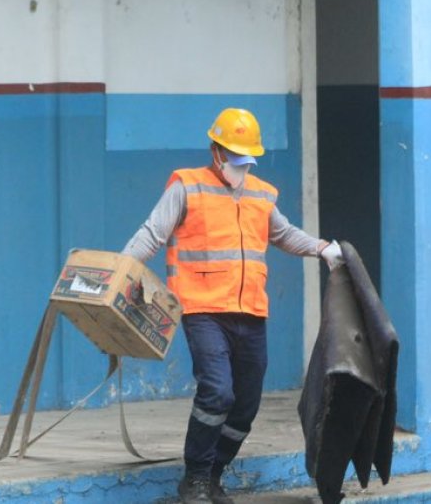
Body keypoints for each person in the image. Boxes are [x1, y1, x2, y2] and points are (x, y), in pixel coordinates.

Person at [120, 108, 343, 504]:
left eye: (247, 158)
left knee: (245, 405)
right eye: (234, 157)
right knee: (218, 392)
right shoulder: (187, 187)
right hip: (202, 310)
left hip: (251, 312)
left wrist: (322, 248)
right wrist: (120, 272)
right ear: (216, 151)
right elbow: (152, 234)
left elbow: (284, 234)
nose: (241, 165)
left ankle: (215, 473)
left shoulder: (260, 193)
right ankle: (197, 477)